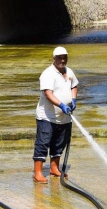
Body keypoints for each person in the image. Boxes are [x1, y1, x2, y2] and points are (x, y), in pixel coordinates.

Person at [33, 46, 78, 184]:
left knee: (59, 143)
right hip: (47, 117)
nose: (62, 60)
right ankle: (38, 173)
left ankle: (54, 168)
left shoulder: (69, 71)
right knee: (43, 143)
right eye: (59, 58)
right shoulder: (48, 74)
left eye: (65, 57)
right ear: (54, 58)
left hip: (64, 118)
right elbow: (48, 94)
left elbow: (74, 86)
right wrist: (62, 105)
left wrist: (73, 99)